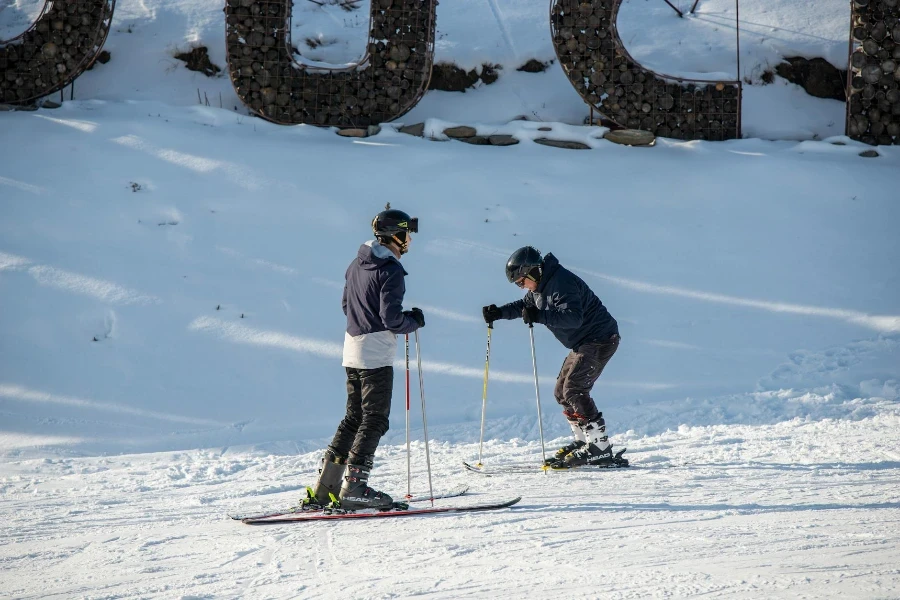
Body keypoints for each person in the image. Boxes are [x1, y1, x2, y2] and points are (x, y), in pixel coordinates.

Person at [308, 208, 425, 510]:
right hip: (375, 354)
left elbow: (346, 304)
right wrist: (412, 321)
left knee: (353, 418)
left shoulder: (356, 263)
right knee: (374, 419)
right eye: (407, 234)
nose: (409, 239)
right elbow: (391, 318)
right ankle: (355, 488)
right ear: (396, 236)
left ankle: (326, 487)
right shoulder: (391, 270)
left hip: (352, 347)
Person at [482, 246, 626, 468]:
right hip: (583, 343)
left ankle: (600, 447)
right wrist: (499, 312)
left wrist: (538, 316)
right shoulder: (542, 285)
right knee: (561, 392)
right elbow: (525, 306)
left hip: (600, 338)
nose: (522, 287)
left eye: (521, 282)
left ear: (533, 272)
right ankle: (583, 442)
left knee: (575, 389)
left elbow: (573, 318)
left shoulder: (561, 283)